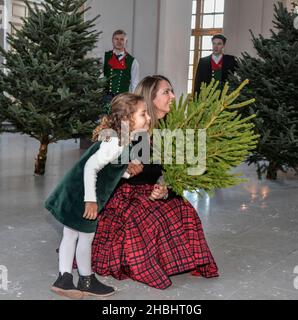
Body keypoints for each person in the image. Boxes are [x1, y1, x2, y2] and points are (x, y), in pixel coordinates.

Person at [91, 75, 219, 290]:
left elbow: (173, 171)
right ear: (151, 98)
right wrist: (126, 168)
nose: (172, 96)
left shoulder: (171, 128)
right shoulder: (130, 128)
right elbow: (106, 168)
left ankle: (167, 260)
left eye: (171, 91)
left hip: (154, 189)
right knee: (146, 215)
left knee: (184, 211)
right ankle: (141, 260)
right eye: (166, 92)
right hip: (125, 193)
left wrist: (165, 188)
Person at [45, 93, 150, 298]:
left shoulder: (124, 140)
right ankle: (86, 279)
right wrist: (90, 200)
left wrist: (128, 172)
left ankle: (65, 279)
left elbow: (112, 168)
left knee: (71, 234)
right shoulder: (115, 142)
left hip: (77, 191)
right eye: (143, 113)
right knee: (85, 237)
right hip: (82, 195)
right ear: (127, 120)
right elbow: (91, 167)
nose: (148, 118)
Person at [103, 29, 139, 101]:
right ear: (112, 40)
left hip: (123, 99)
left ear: (126, 42)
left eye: (122, 39)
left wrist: (133, 100)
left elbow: (135, 83)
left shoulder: (133, 61)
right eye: (116, 39)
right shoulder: (104, 57)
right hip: (106, 97)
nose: (119, 42)